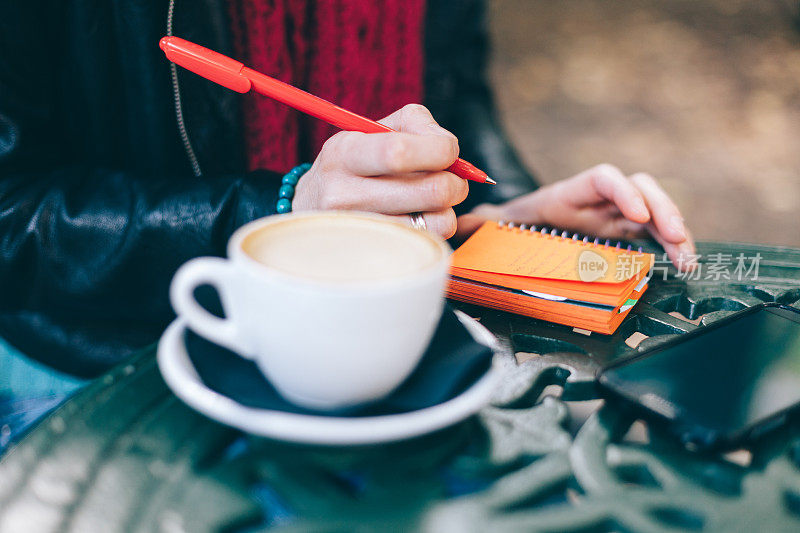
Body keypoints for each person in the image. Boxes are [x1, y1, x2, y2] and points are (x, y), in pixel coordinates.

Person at [0, 0, 693, 440]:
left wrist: (497, 214)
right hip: (104, 370)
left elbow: (454, 89)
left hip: (384, 342)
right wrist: (280, 214)